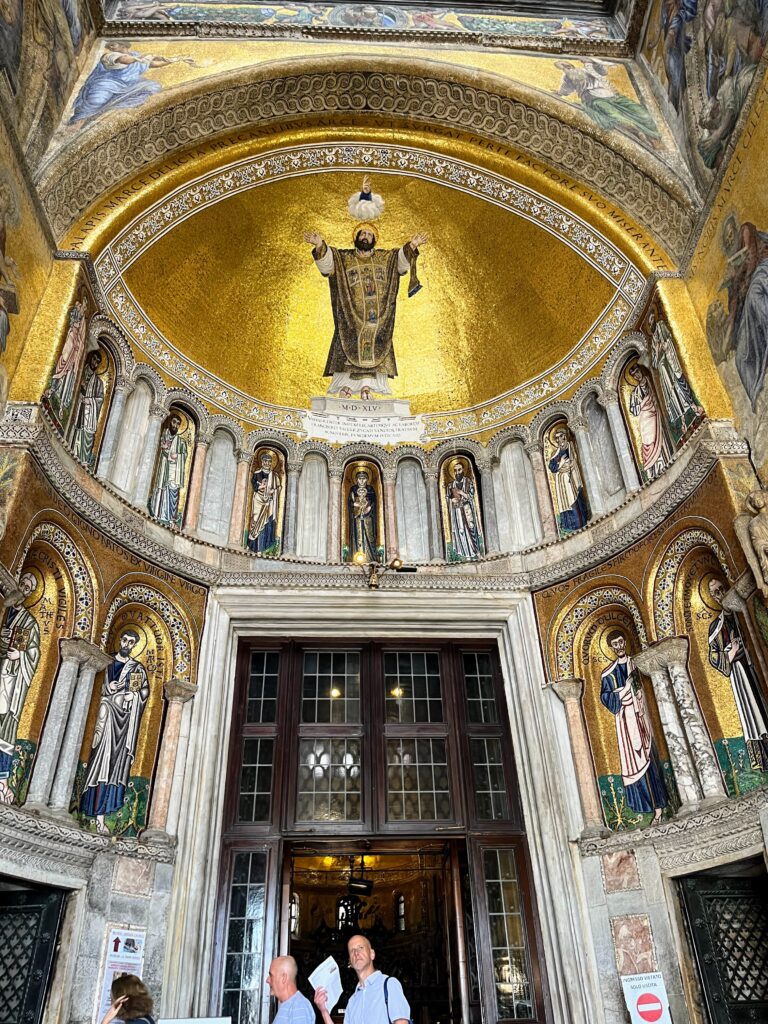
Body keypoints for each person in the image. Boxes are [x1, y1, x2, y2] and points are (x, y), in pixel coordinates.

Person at [304, 175, 426, 399]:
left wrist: (412, 246)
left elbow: (400, 263)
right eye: (362, 233)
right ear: (356, 237)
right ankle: (346, 388)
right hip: (351, 319)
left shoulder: (385, 258)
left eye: (369, 234)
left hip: (377, 319)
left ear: (374, 239)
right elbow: (328, 265)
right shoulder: (344, 258)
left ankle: (368, 388)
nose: (366, 236)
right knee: (347, 344)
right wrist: (320, 244)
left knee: (375, 344)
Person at [79, 629, 150, 834]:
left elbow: (143, 692)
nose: (127, 644)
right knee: (97, 764)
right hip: (102, 723)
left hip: (122, 728)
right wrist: (107, 687)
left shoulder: (137, 668)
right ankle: (85, 812)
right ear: (120, 639)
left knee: (112, 768)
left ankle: (101, 817)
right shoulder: (106, 661)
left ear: (135, 645)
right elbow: (90, 682)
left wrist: (133, 698)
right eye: (125, 639)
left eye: (131, 642)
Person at [600, 631, 669, 822]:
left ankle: (660, 807)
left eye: (621, 641)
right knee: (634, 763)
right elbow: (605, 697)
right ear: (611, 648)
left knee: (651, 757)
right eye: (615, 644)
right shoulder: (608, 673)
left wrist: (635, 690)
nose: (619, 646)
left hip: (643, 718)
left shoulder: (636, 664)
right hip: (625, 723)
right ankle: (644, 808)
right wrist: (623, 693)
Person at [707, 577, 768, 772]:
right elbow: (713, 656)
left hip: (755, 663)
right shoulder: (716, 626)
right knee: (752, 712)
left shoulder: (741, 610)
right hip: (738, 672)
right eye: (715, 592)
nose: (720, 594)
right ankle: (762, 757)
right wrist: (730, 654)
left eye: (721, 589)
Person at [0, 571, 40, 805]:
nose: (23, 589)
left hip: (11, 679)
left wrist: (21, 654)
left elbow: (34, 653)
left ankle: (3, 779)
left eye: (27, 587)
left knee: (5, 725)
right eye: (22, 583)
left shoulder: (28, 622)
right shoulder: (6, 612)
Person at [314, 934, 410, 1024]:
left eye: (360, 947)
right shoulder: (352, 1001)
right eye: (352, 950)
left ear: (372, 954)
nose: (356, 952)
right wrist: (324, 1011)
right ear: (350, 962)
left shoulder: (389, 985)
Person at [627, 363, 672, 480]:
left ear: (641, 370)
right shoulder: (635, 393)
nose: (637, 376)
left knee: (660, 437)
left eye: (637, 372)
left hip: (656, 415)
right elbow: (634, 411)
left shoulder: (651, 380)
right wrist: (642, 403)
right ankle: (654, 469)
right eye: (634, 375)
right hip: (645, 421)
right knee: (649, 442)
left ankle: (664, 459)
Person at [148, 413, 188, 527]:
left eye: (178, 424)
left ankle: (171, 519)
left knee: (173, 492)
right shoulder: (163, 434)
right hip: (163, 468)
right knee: (160, 489)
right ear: (170, 422)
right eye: (174, 422)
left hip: (174, 472)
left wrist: (176, 456)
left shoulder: (181, 442)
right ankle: (156, 513)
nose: (175, 425)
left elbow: (184, 455)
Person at [547, 426, 588, 536]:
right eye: (557, 438)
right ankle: (568, 525)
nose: (560, 439)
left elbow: (574, 459)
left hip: (572, 476)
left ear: (565, 436)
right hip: (562, 481)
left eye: (561, 436)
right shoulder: (555, 453)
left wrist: (569, 465)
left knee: (575, 498)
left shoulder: (571, 446)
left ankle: (581, 521)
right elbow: (552, 467)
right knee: (565, 501)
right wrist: (560, 464)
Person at [72, 349, 106, 468]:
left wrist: (89, 401)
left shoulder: (98, 382)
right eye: (94, 359)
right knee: (74, 429)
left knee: (86, 434)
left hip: (88, 411)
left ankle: (83, 461)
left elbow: (100, 399)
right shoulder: (80, 369)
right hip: (76, 406)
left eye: (98, 362)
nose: (95, 363)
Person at [446, 459, 483, 560]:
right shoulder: (450, 485)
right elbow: (448, 498)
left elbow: (471, 495)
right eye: (455, 470)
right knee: (461, 532)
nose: (457, 472)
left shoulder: (468, 481)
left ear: (463, 470)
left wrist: (461, 493)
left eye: (459, 470)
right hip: (457, 512)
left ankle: (477, 552)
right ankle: (466, 555)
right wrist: (451, 500)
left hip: (468, 510)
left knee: (471, 530)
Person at [247, 451, 281, 553]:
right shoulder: (257, 474)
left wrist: (273, 491)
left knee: (267, 521)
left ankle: (263, 548)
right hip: (258, 500)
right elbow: (254, 485)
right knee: (256, 520)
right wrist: (260, 487)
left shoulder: (275, 476)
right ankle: (253, 545)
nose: (267, 463)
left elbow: (278, 488)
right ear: (262, 462)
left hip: (269, 502)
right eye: (265, 461)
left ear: (272, 463)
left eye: (269, 461)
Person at [267, 956, 315, 1024]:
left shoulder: (298, 1006)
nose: (267, 980)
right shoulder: (292, 1005)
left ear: (284, 978)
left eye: (271, 975)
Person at [348, 468, 378, 561]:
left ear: (367, 479)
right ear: (356, 479)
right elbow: (349, 502)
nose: (361, 480)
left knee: (369, 535)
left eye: (364, 478)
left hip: (368, 517)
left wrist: (369, 507)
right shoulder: (353, 489)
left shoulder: (370, 489)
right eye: (359, 478)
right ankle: (356, 555)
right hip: (356, 517)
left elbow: (373, 502)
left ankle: (371, 558)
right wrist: (355, 504)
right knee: (357, 535)